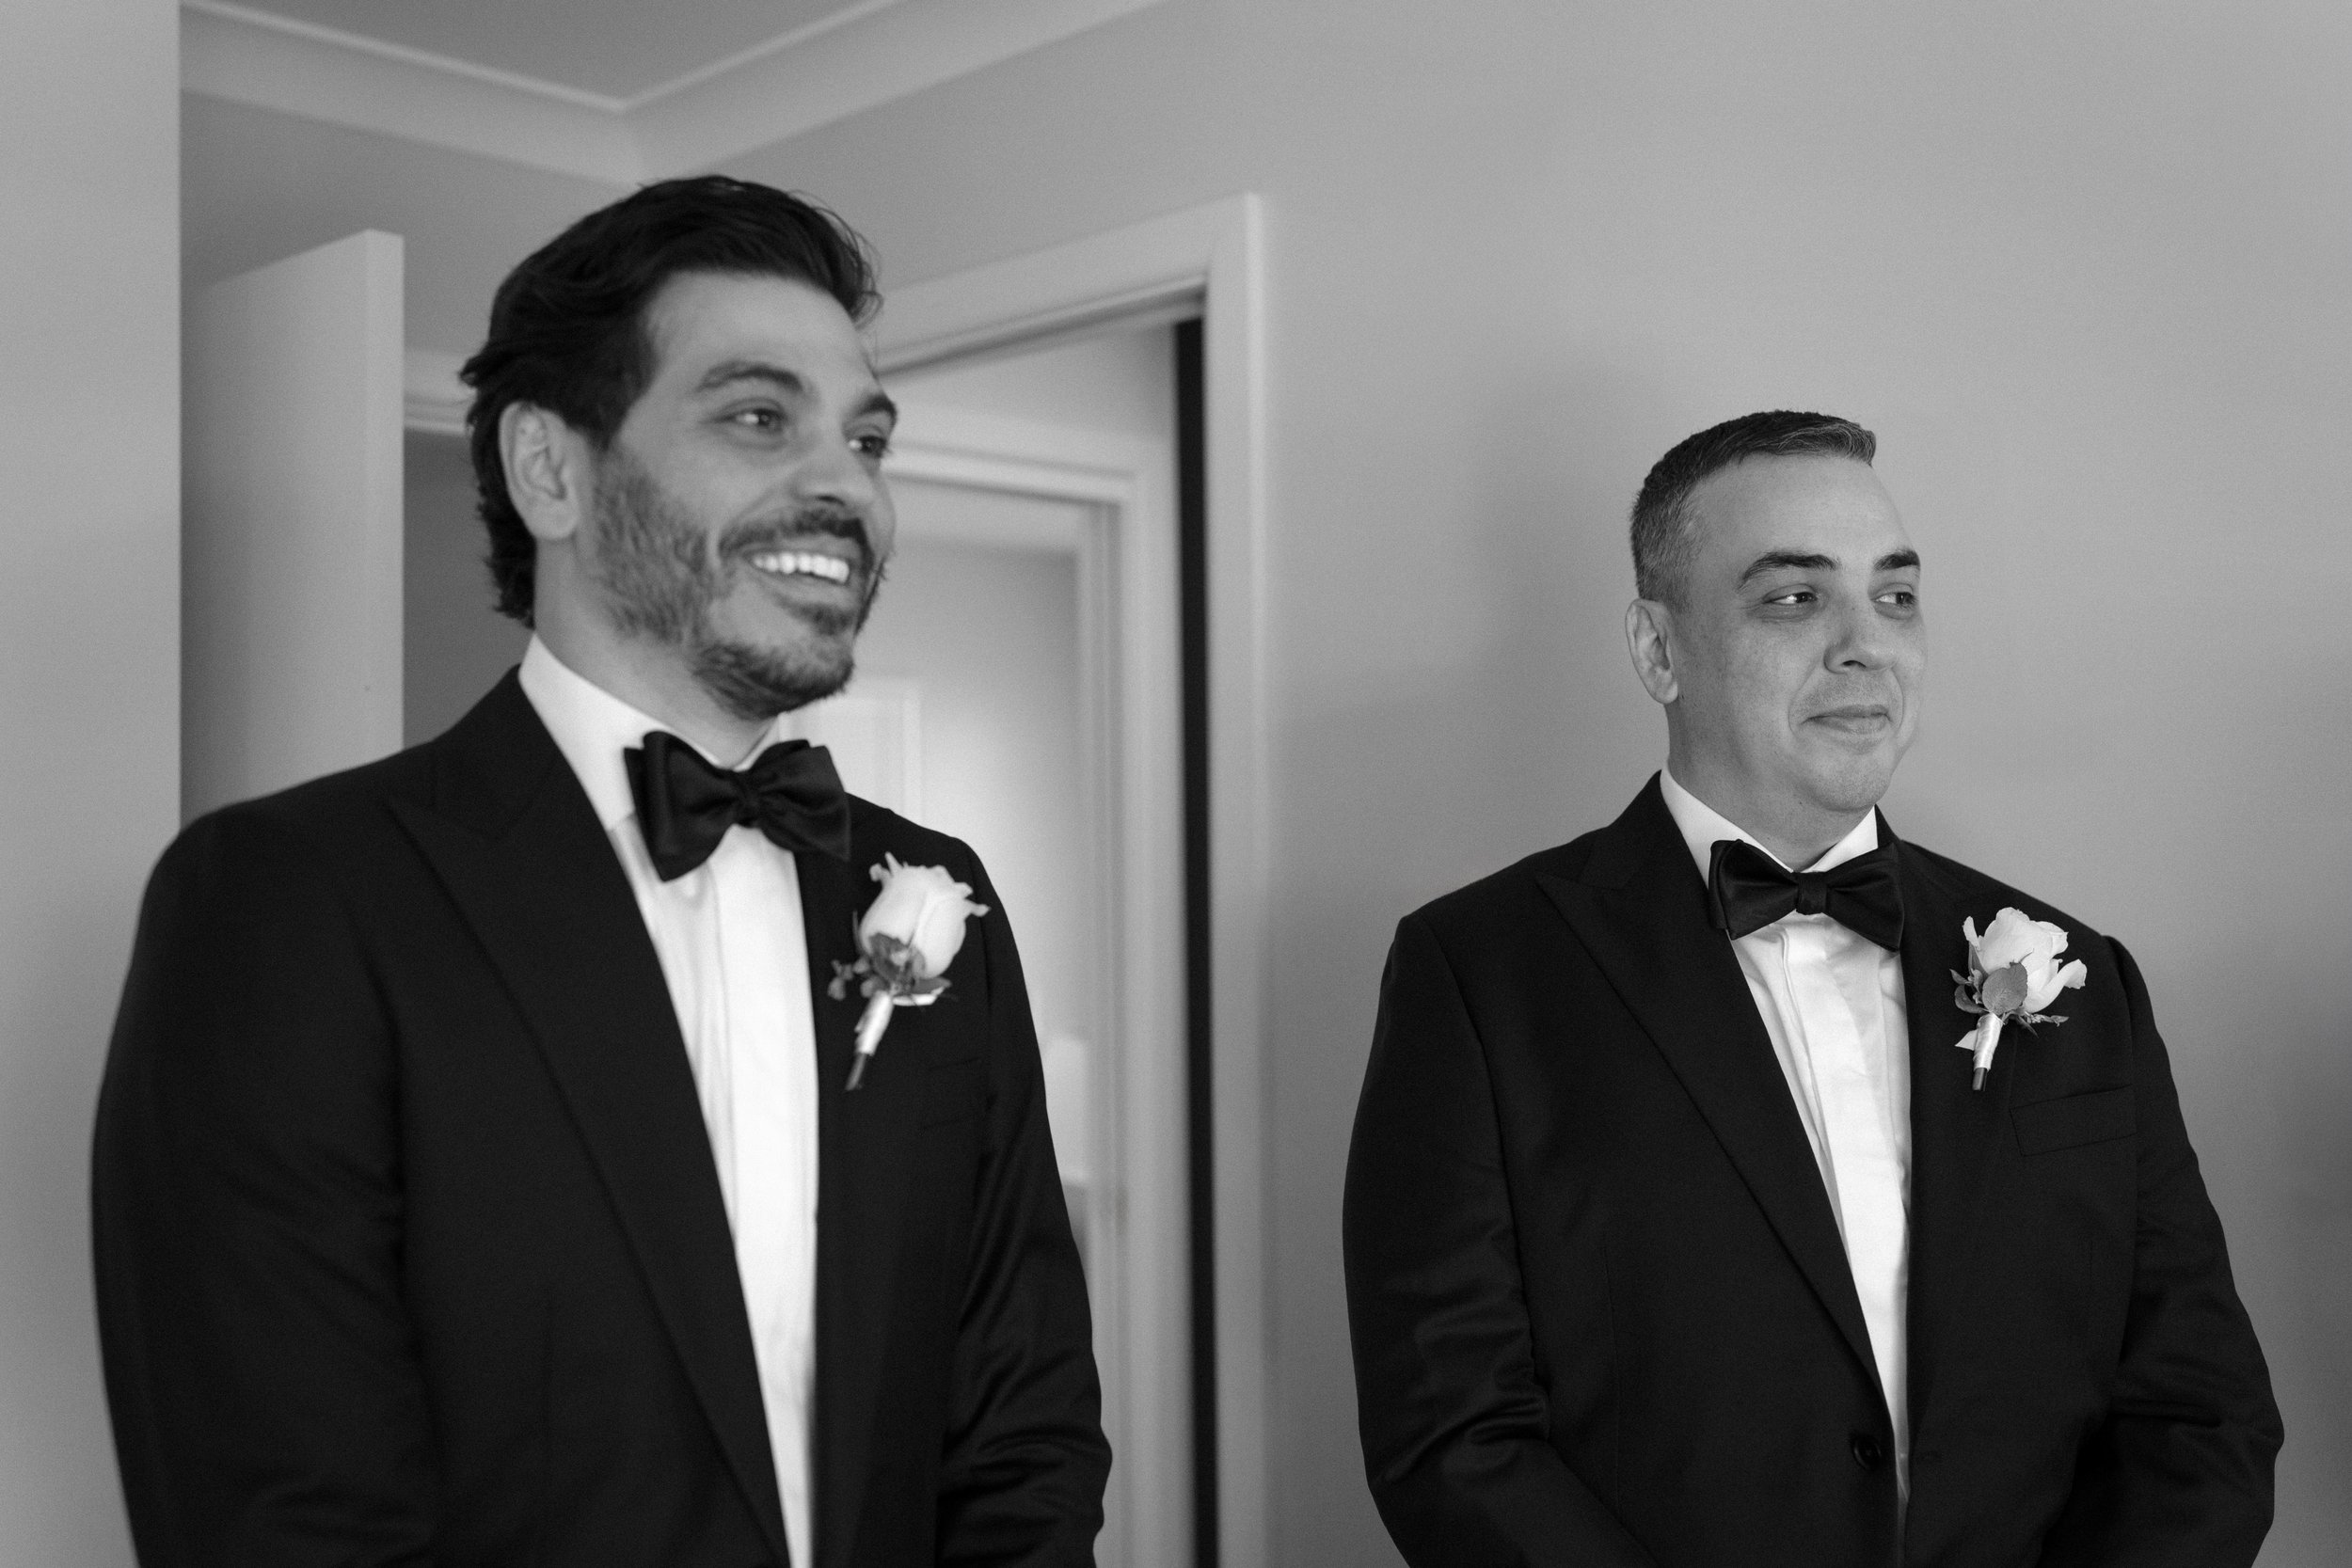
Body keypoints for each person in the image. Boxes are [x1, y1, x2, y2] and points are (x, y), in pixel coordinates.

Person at [93, 176, 1108, 1567]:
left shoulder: (932, 889)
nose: (846, 484)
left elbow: (1022, 1421)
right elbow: (282, 1513)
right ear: (551, 471)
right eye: (760, 415)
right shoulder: (290, 900)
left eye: (866, 437)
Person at [1343, 411, 2280, 1566]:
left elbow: (2202, 1409)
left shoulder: (2081, 974)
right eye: (1793, 597)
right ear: (1657, 650)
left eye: (1893, 596)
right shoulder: (1478, 973)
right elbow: (1451, 1435)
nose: (1863, 644)